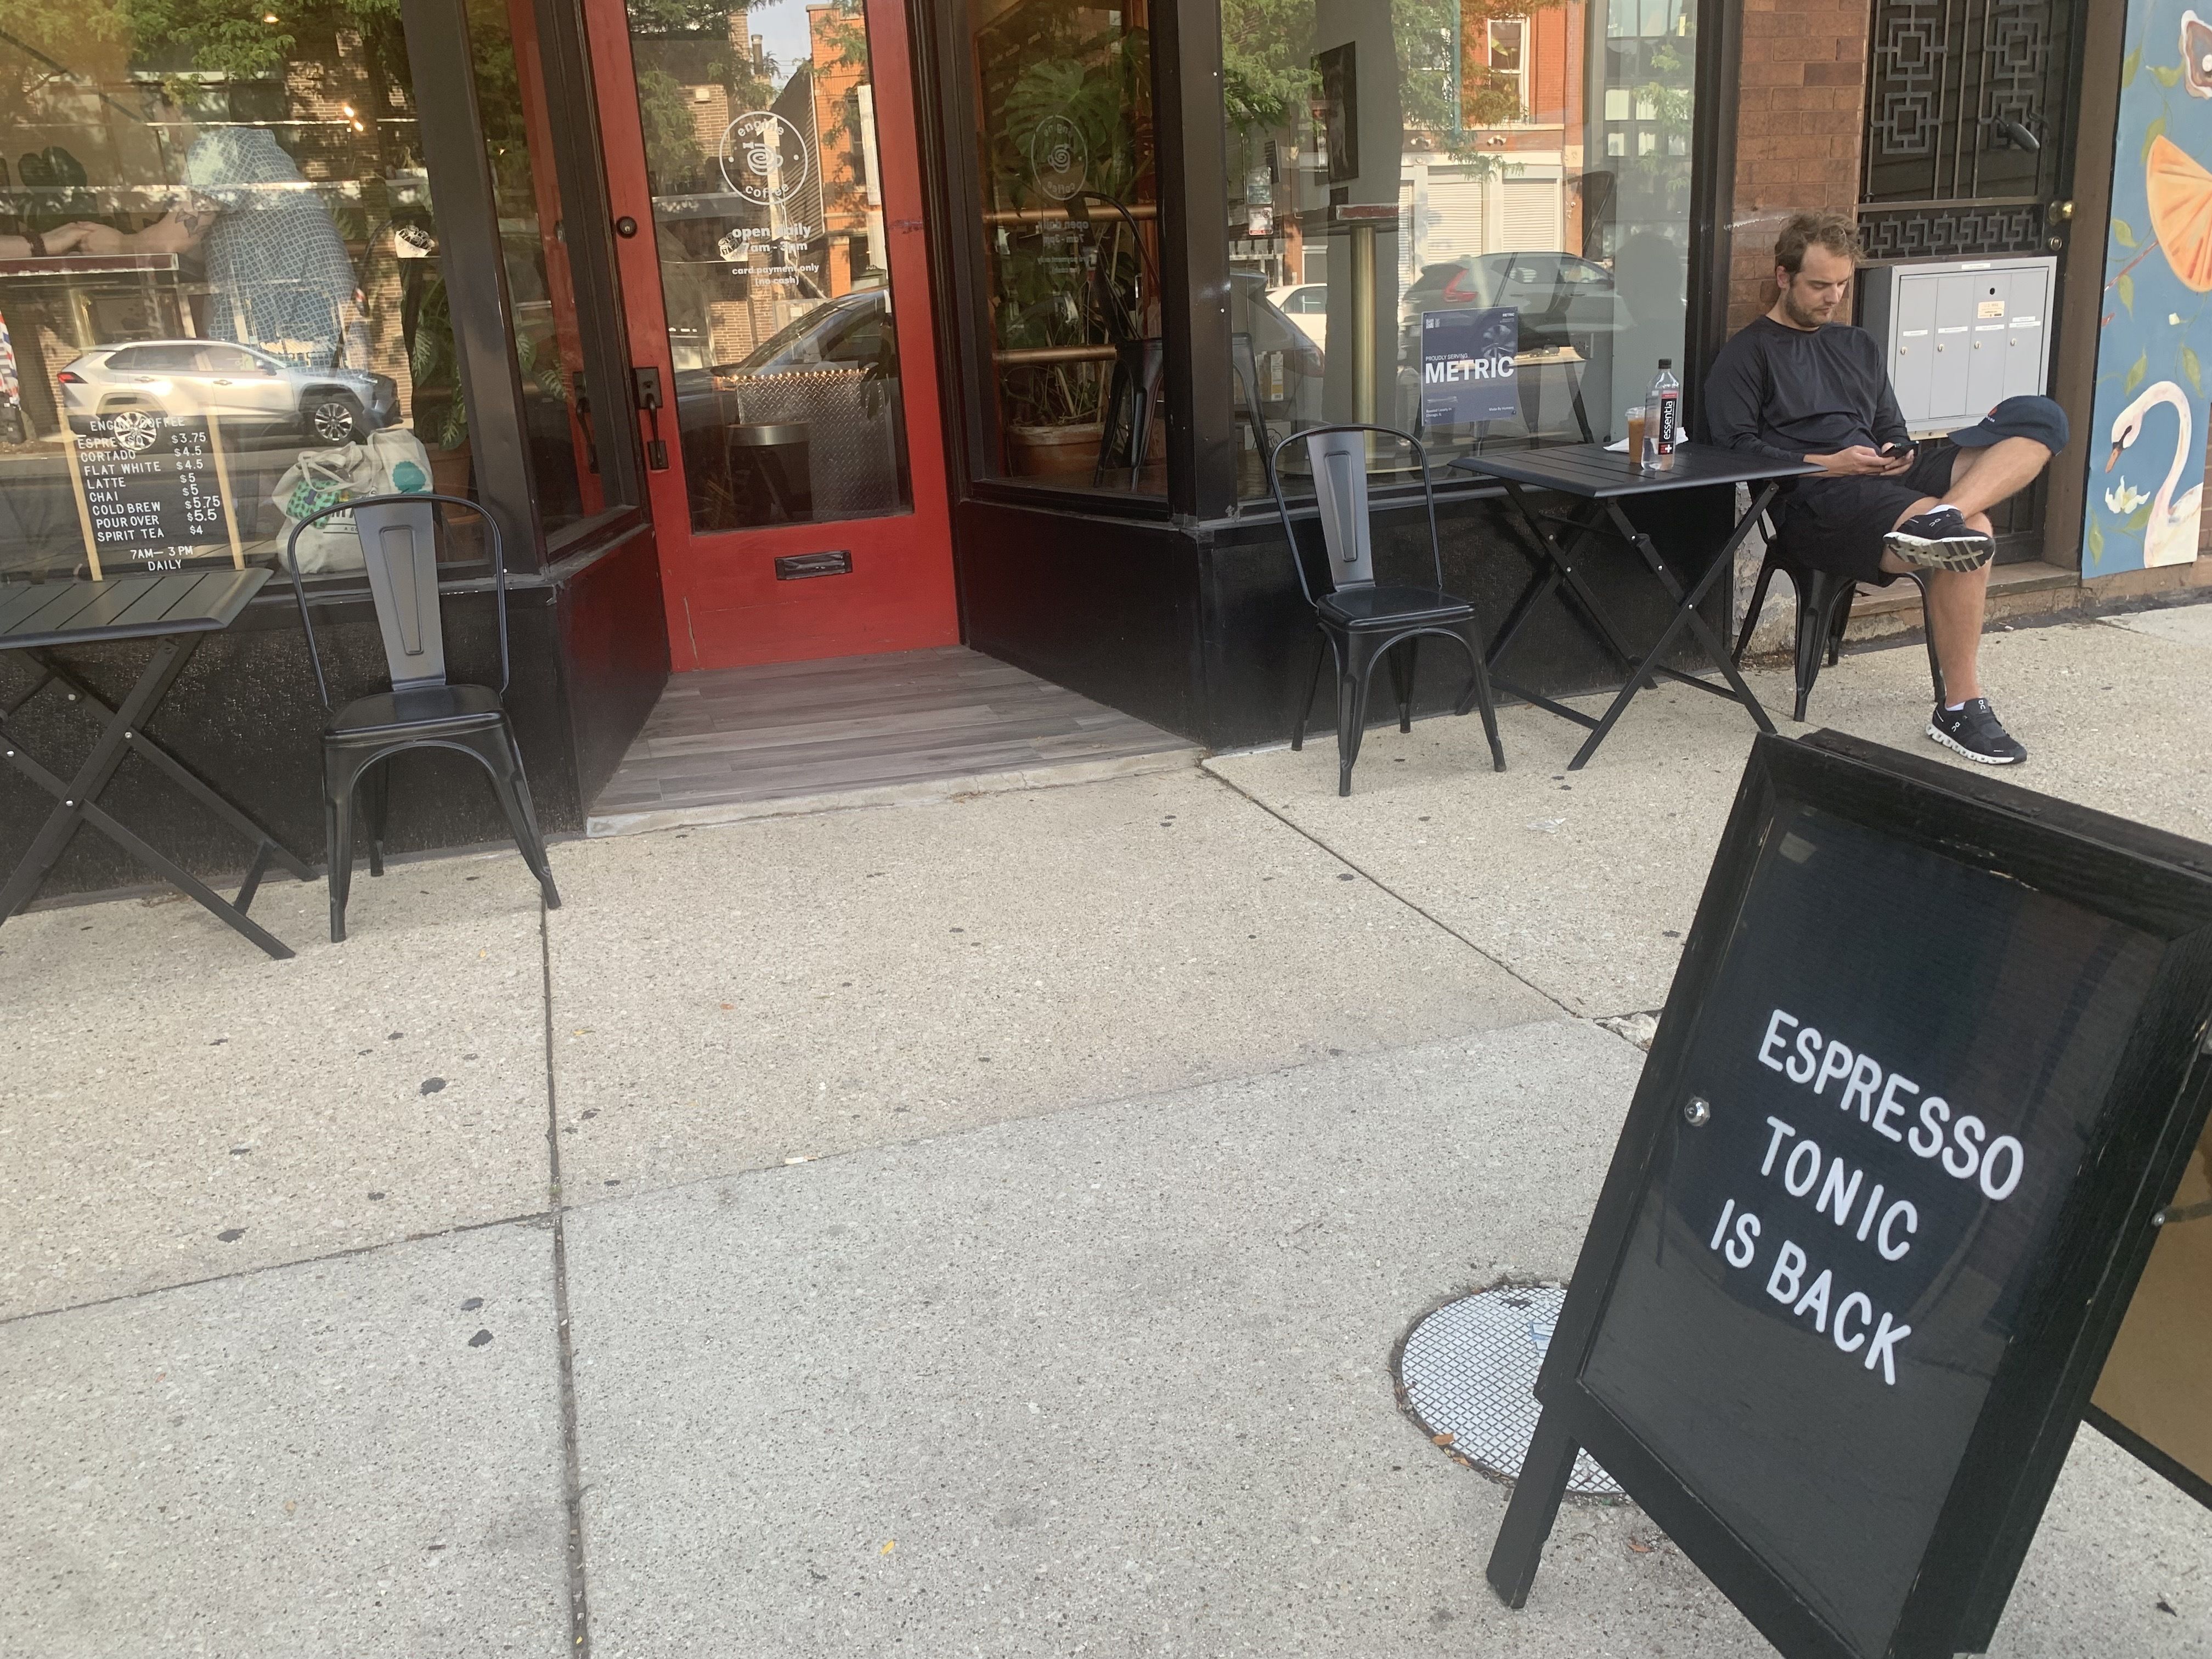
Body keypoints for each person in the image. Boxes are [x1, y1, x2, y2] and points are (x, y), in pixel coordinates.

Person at [1705, 211, 2067, 766]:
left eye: (1842, 285)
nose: (1833, 298)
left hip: (1880, 479)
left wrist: (1900, 454)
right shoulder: (1748, 354)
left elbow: (1891, 427)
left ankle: (1940, 517)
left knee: (2041, 422)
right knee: (1973, 532)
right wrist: (1830, 462)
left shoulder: (1858, 346)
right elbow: (1734, 451)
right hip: (1819, 500)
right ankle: (1959, 708)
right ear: (1784, 278)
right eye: (1819, 285)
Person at [46, 121, 364, 370]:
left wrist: (119, 243)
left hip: (284, 349)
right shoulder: (263, 154)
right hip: (317, 343)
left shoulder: (223, 146)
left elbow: (176, 238)